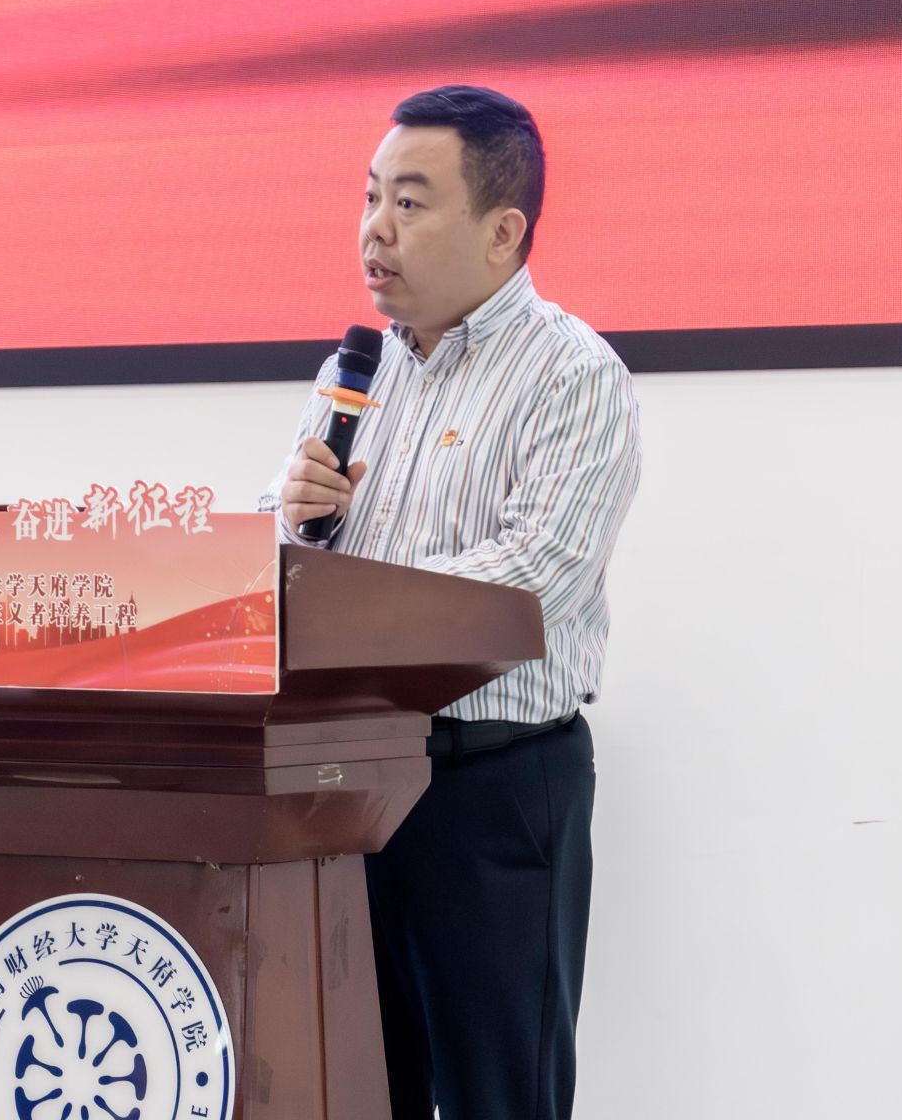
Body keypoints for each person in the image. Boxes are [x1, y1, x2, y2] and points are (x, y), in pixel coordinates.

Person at [258, 84, 642, 1120]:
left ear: (501, 231)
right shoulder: (355, 371)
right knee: (353, 1088)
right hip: (345, 780)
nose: (374, 229)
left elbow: (536, 575)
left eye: (410, 202)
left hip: (489, 788)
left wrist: (350, 597)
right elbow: (276, 551)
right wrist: (298, 520)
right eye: (369, 196)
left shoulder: (571, 375)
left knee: (497, 1095)